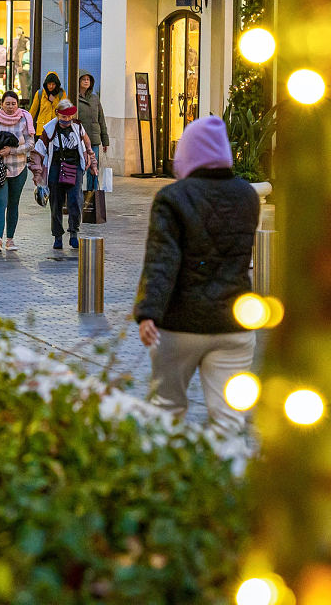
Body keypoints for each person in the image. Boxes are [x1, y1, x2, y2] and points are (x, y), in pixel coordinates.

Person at [132, 115, 259, 431]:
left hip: (179, 326)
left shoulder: (172, 197)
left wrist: (148, 313)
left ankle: (169, 478)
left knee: (166, 412)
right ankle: (224, 475)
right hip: (235, 324)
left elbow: (162, 261)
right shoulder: (247, 196)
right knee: (229, 420)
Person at [33, 99, 97, 250]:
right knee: (55, 202)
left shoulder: (78, 127)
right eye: (63, 116)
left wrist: (93, 164)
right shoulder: (49, 130)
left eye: (69, 116)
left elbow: (88, 147)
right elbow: (37, 152)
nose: (67, 119)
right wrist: (37, 173)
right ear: (57, 114)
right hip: (56, 166)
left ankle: (74, 233)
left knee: (76, 200)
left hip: (75, 166)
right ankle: (57, 236)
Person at [0, 90, 36, 252]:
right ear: (1, 104)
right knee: (0, 202)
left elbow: (30, 144)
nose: (11, 107)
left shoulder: (24, 120)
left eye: (13, 104)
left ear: (18, 105)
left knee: (13, 204)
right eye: (7, 104)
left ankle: (10, 240)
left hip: (18, 168)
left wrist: (11, 150)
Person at [75, 72, 110, 154]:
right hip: (79, 140)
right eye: (84, 79)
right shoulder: (74, 98)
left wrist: (105, 141)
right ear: (78, 81)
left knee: (94, 165)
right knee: (81, 165)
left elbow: (101, 120)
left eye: (88, 79)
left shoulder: (95, 98)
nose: (86, 81)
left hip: (94, 140)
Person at [28, 71, 65, 135]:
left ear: (57, 84)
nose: (51, 86)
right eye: (49, 84)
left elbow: (64, 110)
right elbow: (32, 111)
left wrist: (54, 101)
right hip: (42, 129)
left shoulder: (61, 94)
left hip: (57, 129)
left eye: (53, 84)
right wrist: (26, 125)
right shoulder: (40, 93)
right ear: (46, 84)